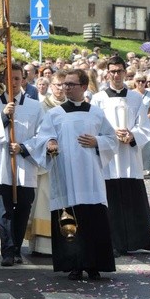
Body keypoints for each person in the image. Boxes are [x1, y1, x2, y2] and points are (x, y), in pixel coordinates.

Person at [31, 68, 117, 280]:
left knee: (93, 219)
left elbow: (112, 139)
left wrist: (98, 141)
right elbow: (42, 138)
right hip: (66, 175)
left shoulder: (96, 112)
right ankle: (75, 264)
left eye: (71, 84)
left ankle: (95, 264)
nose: (66, 88)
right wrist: (49, 142)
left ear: (84, 87)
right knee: (71, 220)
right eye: (64, 84)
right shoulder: (55, 114)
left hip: (91, 177)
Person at [0, 63, 44, 266]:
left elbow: (43, 134)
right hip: (0, 166)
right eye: (10, 79)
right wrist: (3, 116)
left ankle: (16, 249)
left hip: (24, 165)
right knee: (4, 210)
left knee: (23, 207)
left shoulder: (35, 106)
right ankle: (7, 251)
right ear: (3, 81)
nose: (13, 83)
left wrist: (23, 148)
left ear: (23, 80)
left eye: (17, 78)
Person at [91, 56, 150, 257]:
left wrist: (132, 135)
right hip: (109, 158)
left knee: (131, 198)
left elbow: (144, 126)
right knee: (110, 199)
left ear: (125, 72)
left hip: (129, 156)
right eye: (113, 71)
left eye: (120, 71)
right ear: (107, 73)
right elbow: (94, 127)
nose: (117, 75)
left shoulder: (136, 98)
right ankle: (113, 242)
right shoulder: (98, 99)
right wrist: (109, 137)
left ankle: (134, 240)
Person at [26, 71, 67, 256]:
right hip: (48, 160)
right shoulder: (42, 107)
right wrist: (48, 145)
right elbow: (37, 134)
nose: (60, 88)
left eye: (63, 85)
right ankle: (42, 244)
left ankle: (65, 237)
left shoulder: (71, 107)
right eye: (57, 85)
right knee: (44, 199)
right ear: (51, 86)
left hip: (66, 160)